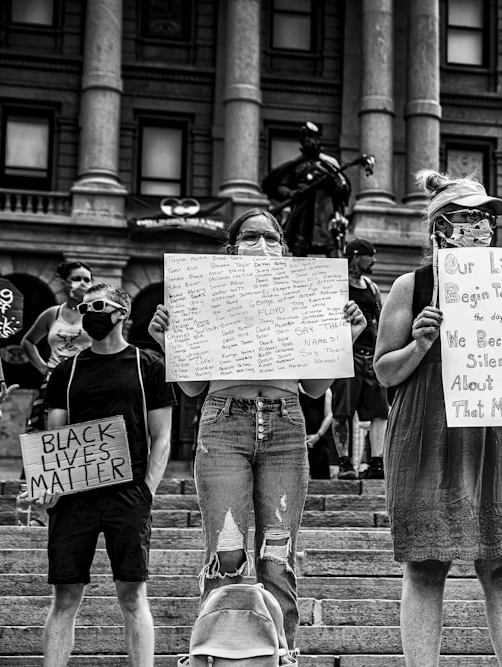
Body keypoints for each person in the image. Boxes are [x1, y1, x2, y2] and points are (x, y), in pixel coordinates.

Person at [147, 208, 367, 656]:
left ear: (284, 251)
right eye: (251, 237)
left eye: (271, 238)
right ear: (232, 249)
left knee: (277, 558)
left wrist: (343, 338)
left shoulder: (303, 297)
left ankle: (279, 655)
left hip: (286, 423)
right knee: (225, 552)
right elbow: (191, 386)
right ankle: (217, 653)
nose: (262, 245)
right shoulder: (207, 294)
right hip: (224, 422)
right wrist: (168, 341)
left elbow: (313, 387)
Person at [374, 170, 502, 666]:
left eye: (486, 218)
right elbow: (384, 373)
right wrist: (420, 344)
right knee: (425, 566)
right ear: (439, 228)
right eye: (468, 218)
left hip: (494, 430)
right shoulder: (410, 287)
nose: (480, 226)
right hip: (427, 433)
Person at [35, 283, 175, 667]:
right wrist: (50, 482)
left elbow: (162, 436)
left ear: (121, 312)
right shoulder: (67, 370)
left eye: (98, 305)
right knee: (64, 596)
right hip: (75, 498)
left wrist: (147, 489)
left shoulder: (149, 366)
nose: (88, 312)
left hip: (127, 494)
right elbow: (55, 435)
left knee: (133, 594)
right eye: (84, 307)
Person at [330, 238, 388, 480]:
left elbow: (381, 317)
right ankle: (345, 463)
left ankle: (376, 462)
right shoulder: (339, 286)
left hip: (371, 356)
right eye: (370, 255)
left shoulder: (372, 287)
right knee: (343, 411)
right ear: (355, 256)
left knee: (379, 412)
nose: (373, 260)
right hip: (347, 354)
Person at [21, 261, 94, 431]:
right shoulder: (53, 314)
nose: (82, 283)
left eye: (87, 279)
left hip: (87, 381)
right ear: (64, 282)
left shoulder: (95, 314)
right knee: (54, 435)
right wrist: (42, 367)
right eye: (76, 278)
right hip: (55, 382)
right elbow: (28, 342)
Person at [262, 121, 351, 257]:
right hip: (302, 211)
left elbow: (342, 189)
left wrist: (331, 182)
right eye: (307, 138)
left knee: (330, 245)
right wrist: (292, 192)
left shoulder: (329, 164)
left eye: (313, 138)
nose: (310, 141)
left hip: (324, 211)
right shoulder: (296, 165)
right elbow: (281, 187)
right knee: (299, 245)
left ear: (318, 140)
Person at [300, 385, 336, 480]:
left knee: (321, 476)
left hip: (318, 438)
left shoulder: (326, 390)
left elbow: (328, 415)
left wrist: (318, 435)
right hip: (299, 438)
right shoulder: (294, 389)